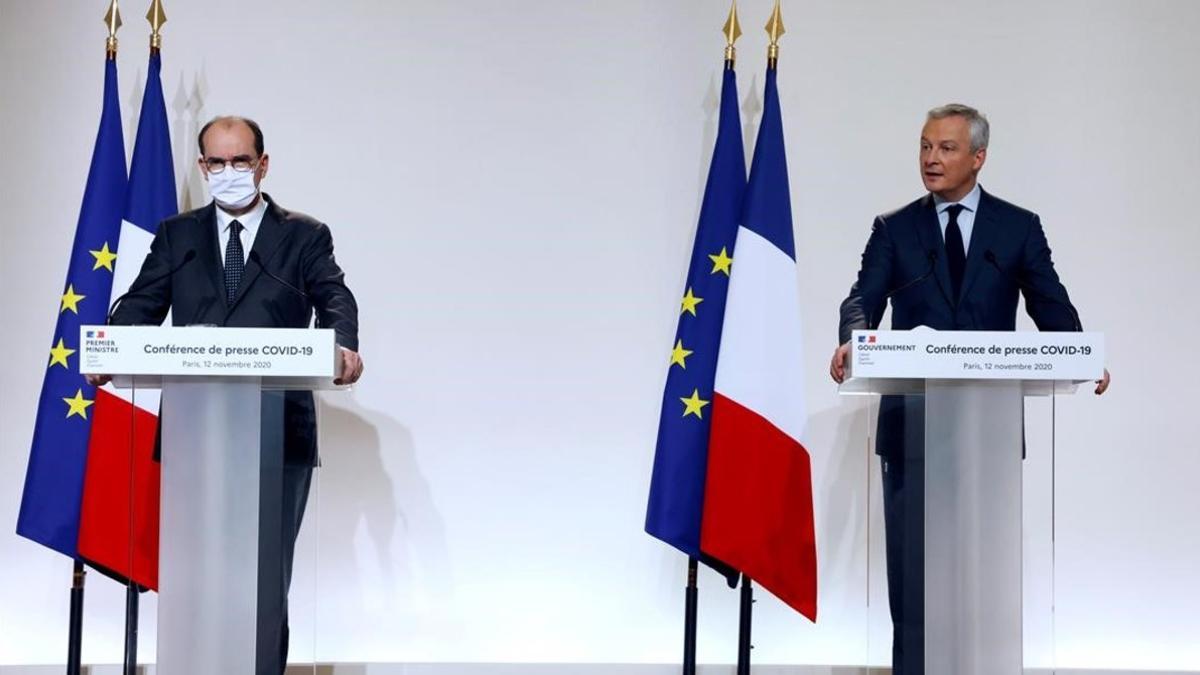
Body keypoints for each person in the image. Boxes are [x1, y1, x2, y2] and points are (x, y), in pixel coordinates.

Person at [829, 103, 1109, 674]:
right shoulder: (895, 228)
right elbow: (863, 298)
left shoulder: (1017, 227)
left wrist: (1082, 354)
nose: (932, 159)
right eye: (925, 146)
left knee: (982, 573)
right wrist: (852, 340)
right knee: (913, 580)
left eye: (947, 148)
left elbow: (1050, 303)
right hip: (912, 423)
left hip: (989, 431)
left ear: (978, 157)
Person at [87, 115, 362, 673]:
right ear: (201, 166)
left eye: (241, 161)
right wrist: (112, 351)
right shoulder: (177, 237)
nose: (229, 172)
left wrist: (345, 345)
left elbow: (334, 296)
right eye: (217, 162)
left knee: (264, 578)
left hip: (278, 431)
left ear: (263, 164)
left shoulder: (303, 235)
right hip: (196, 435)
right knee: (197, 572)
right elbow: (140, 306)